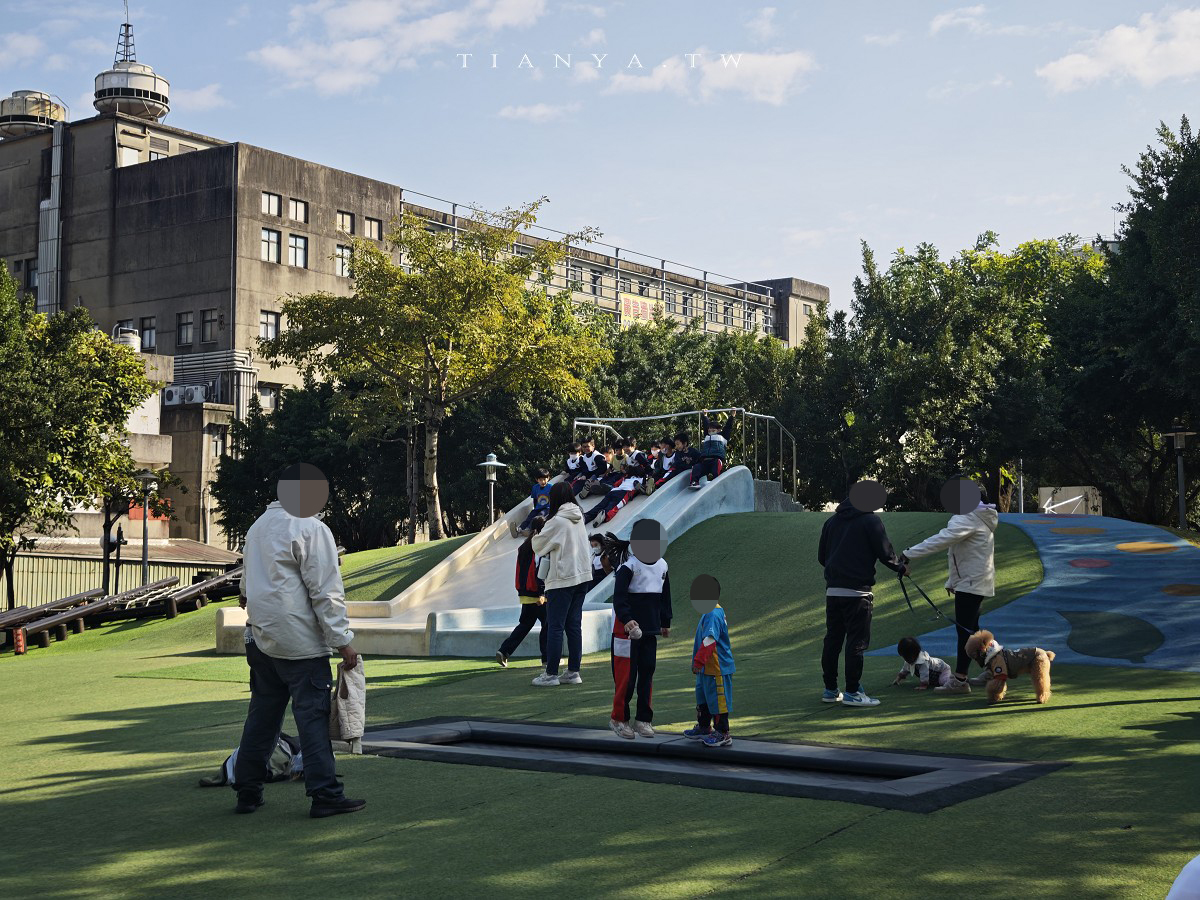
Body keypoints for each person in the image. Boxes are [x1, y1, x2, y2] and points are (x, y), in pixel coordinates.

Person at [234, 463, 366, 818]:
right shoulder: (311, 528)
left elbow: (244, 589)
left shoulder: (258, 527)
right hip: (301, 643)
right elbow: (326, 593)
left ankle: (247, 790)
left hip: (261, 639)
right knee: (312, 718)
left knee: (262, 716)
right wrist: (343, 643)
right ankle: (325, 794)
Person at [899, 477, 998, 694]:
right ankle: (994, 667)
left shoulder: (968, 517)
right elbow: (958, 550)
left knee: (966, 633)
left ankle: (960, 681)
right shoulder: (979, 516)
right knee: (973, 631)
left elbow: (943, 540)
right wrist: (952, 581)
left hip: (971, 583)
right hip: (974, 580)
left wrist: (908, 553)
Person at [817, 480, 907, 708]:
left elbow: (822, 557)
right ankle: (853, 691)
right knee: (856, 643)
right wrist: (901, 567)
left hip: (833, 591)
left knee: (833, 640)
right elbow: (886, 553)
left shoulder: (831, 522)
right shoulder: (871, 520)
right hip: (858, 593)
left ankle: (830, 689)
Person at [609, 519, 672, 738]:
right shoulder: (629, 567)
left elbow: (665, 596)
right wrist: (627, 619)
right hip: (625, 633)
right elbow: (619, 598)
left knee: (647, 673)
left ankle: (643, 719)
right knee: (626, 677)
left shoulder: (663, 565)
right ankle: (619, 719)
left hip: (649, 631)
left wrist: (665, 622)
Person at [530, 482, 593, 686]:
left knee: (555, 626)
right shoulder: (579, 517)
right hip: (582, 577)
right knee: (574, 625)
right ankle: (573, 671)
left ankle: (551, 674)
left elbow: (537, 545)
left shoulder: (556, 521)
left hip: (561, 579)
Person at [683, 575, 735, 748]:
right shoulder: (709, 612)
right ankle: (704, 726)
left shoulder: (713, 612)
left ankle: (723, 732)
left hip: (716, 668)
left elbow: (710, 640)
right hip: (706, 668)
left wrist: (698, 661)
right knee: (703, 697)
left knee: (718, 700)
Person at [497, 517, 549, 668]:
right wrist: (543, 592)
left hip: (525, 594)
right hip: (538, 595)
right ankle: (547, 658)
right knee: (548, 624)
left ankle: (504, 651)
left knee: (524, 625)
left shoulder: (524, 545)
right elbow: (540, 569)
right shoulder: (539, 545)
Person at [690, 410, 736, 488]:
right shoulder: (707, 436)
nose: (711, 432)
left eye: (713, 430)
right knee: (697, 467)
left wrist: (732, 416)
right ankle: (694, 482)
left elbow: (728, 427)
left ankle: (716, 481)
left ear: (718, 430)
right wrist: (705, 415)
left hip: (715, 459)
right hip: (705, 460)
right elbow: (706, 425)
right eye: (709, 430)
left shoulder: (723, 436)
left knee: (716, 467)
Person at [512, 468, 553, 537]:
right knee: (530, 516)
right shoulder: (535, 488)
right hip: (538, 507)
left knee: (538, 516)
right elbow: (535, 499)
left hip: (547, 508)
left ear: (548, 478)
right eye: (540, 480)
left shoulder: (551, 487)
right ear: (537, 480)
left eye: (544, 479)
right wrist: (535, 508)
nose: (543, 481)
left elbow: (554, 498)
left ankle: (529, 529)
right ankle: (519, 529)